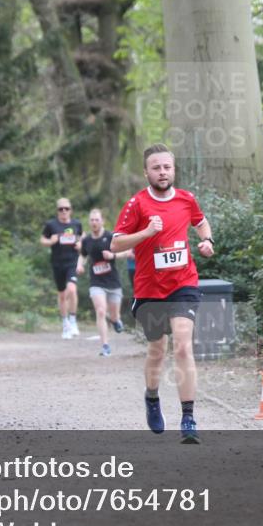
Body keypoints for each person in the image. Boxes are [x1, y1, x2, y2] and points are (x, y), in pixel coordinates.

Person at [111, 144, 214, 444]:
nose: (162, 172)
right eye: (156, 167)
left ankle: (188, 418)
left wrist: (206, 240)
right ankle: (152, 398)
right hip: (149, 290)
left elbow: (200, 221)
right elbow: (116, 244)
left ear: (173, 169)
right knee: (157, 351)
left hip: (183, 283)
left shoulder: (186, 199)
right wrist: (146, 233)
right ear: (146, 172)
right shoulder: (136, 205)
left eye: (167, 167)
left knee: (182, 346)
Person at [76, 209, 130, 357]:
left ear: (102, 221)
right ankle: (105, 345)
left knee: (113, 316)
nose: (94, 222)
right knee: (100, 311)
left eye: (96, 220)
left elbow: (126, 252)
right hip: (96, 282)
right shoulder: (86, 240)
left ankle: (116, 321)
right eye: (92, 220)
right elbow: (82, 255)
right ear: (89, 222)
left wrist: (113, 255)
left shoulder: (111, 237)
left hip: (113, 282)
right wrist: (79, 265)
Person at [41, 198, 83, 339]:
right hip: (57, 263)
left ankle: (73, 320)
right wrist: (50, 241)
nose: (64, 211)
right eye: (61, 209)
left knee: (72, 289)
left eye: (66, 208)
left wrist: (80, 244)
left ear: (71, 210)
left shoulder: (76, 224)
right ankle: (65, 324)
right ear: (57, 211)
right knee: (62, 294)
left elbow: (82, 238)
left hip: (72, 262)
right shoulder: (51, 225)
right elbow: (42, 240)